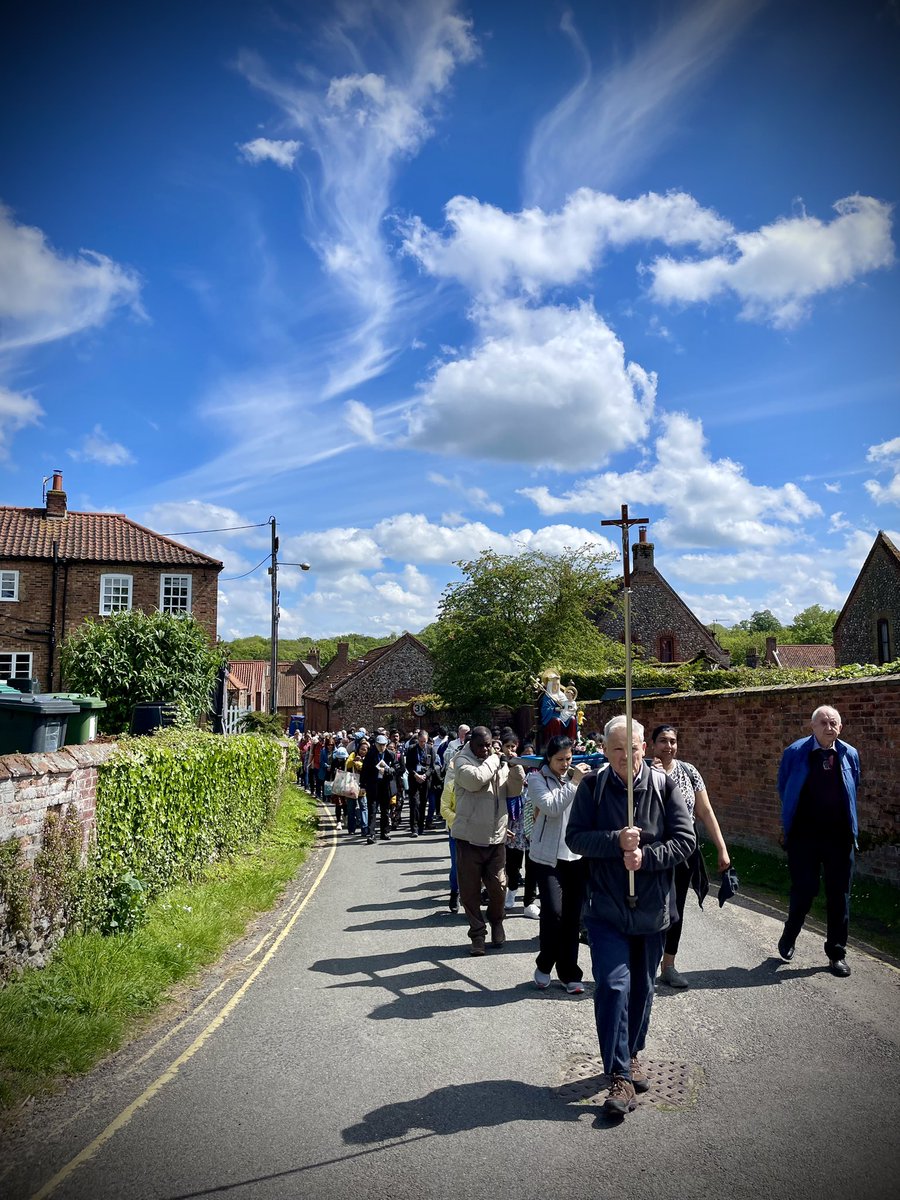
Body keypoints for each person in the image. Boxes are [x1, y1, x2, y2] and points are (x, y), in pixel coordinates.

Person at [566, 715, 695, 1118]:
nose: (625, 756)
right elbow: (575, 837)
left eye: (632, 748)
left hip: (653, 908)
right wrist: (614, 841)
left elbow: (686, 840)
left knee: (642, 989)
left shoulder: (664, 786)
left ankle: (633, 1053)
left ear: (645, 748)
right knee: (613, 986)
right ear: (605, 750)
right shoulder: (593, 788)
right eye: (617, 749)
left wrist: (646, 857)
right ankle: (619, 1074)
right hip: (606, 908)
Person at [777, 705, 860, 978]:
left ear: (841, 727)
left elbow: (852, 787)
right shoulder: (795, 753)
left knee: (840, 895)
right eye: (823, 722)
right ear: (812, 727)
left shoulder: (849, 754)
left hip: (839, 837)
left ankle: (836, 953)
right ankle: (790, 934)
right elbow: (785, 787)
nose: (829, 727)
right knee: (805, 889)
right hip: (804, 836)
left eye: (833, 722)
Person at [650, 724, 731, 989]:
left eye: (673, 741)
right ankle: (645, 964)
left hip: (684, 852)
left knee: (675, 911)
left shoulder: (689, 772)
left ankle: (668, 966)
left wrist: (721, 847)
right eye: (663, 741)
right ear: (652, 745)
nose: (668, 746)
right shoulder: (644, 772)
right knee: (651, 908)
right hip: (654, 852)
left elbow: (705, 811)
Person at [525, 733, 591, 993]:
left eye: (569, 759)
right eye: (560, 759)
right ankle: (544, 965)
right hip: (547, 858)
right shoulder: (536, 778)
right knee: (553, 914)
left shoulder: (578, 779)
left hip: (575, 856)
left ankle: (569, 973)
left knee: (573, 918)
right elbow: (552, 807)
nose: (565, 764)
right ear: (549, 759)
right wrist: (574, 782)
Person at [451, 726, 510, 956]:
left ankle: (496, 921)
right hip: (469, 839)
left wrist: (513, 769)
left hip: (496, 837)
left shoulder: (495, 761)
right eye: (481, 746)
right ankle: (477, 934)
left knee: (498, 887)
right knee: (470, 891)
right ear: (470, 743)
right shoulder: (461, 761)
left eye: (489, 745)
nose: (485, 749)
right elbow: (477, 780)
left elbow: (512, 789)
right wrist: (496, 759)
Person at [499, 730, 527, 911]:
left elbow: (517, 785)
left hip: (517, 819)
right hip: (500, 818)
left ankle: (512, 893)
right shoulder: (496, 763)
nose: (510, 750)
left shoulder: (518, 765)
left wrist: (514, 764)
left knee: (515, 861)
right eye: (507, 746)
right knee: (501, 862)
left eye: (513, 746)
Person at [360, 734, 399, 842]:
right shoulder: (370, 754)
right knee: (372, 810)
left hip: (385, 785)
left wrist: (386, 770)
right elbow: (365, 770)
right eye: (380, 745)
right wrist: (362, 785)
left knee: (385, 810)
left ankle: (384, 832)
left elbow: (396, 769)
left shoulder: (391, 754)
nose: (382, 747)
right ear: (376, 744)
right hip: (373, 785)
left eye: (384, 745)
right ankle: (371, 834)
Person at [406, 729, 436, 838]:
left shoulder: (431, 749)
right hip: (414, 778)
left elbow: (432, 766)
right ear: (418, 739)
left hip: (425, 779)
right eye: (421, 741)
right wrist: (415, 775)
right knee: (414, 803)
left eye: (425, 741)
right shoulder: (411, 749)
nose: (423, 744)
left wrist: (425, 775)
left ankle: (421, 827)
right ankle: (413, 828)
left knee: (423, 803)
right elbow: (408, 765)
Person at [345, 738, 372, 843]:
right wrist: (354, 761)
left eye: (365, 750)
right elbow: (347, 764)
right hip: (352, 784)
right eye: (361, 749)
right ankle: (351, 829)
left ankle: (364, 829)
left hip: (363, 785)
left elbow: (367, 768)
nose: (362, 751)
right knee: (351, 807)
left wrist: (360, 764)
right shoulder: (353, 754)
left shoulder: (369, 758)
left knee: (363, 806)